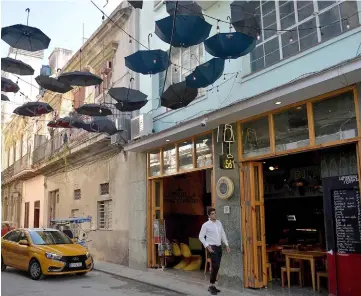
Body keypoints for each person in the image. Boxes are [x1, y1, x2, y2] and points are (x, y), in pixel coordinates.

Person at [199, 208, 230, 295]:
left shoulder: (219, 222)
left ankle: (213, 286)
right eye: (212, 214)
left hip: (219, 247)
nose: (214, 215)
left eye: (215, 213)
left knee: (217, 266)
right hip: (212, 247)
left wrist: (227, 245)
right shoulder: (205, 225)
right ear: (209, 215)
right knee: (215, 265)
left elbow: (223, 234)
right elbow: (201, 236)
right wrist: (207, 246)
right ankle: (211, 285)